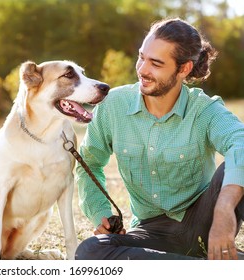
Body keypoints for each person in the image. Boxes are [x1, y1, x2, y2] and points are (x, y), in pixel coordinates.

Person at [75, 17, 244, 260]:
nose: (143, 70)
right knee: (91, 250)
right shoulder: (112, 106)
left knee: (236, 166)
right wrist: (102, 215)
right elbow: (89, 163)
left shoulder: (204, 110)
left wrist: (225, 209)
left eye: (155, 63)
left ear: (183, 68)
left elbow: (240, 142)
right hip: (150, 231)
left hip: (204, 220)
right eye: (142, 57)